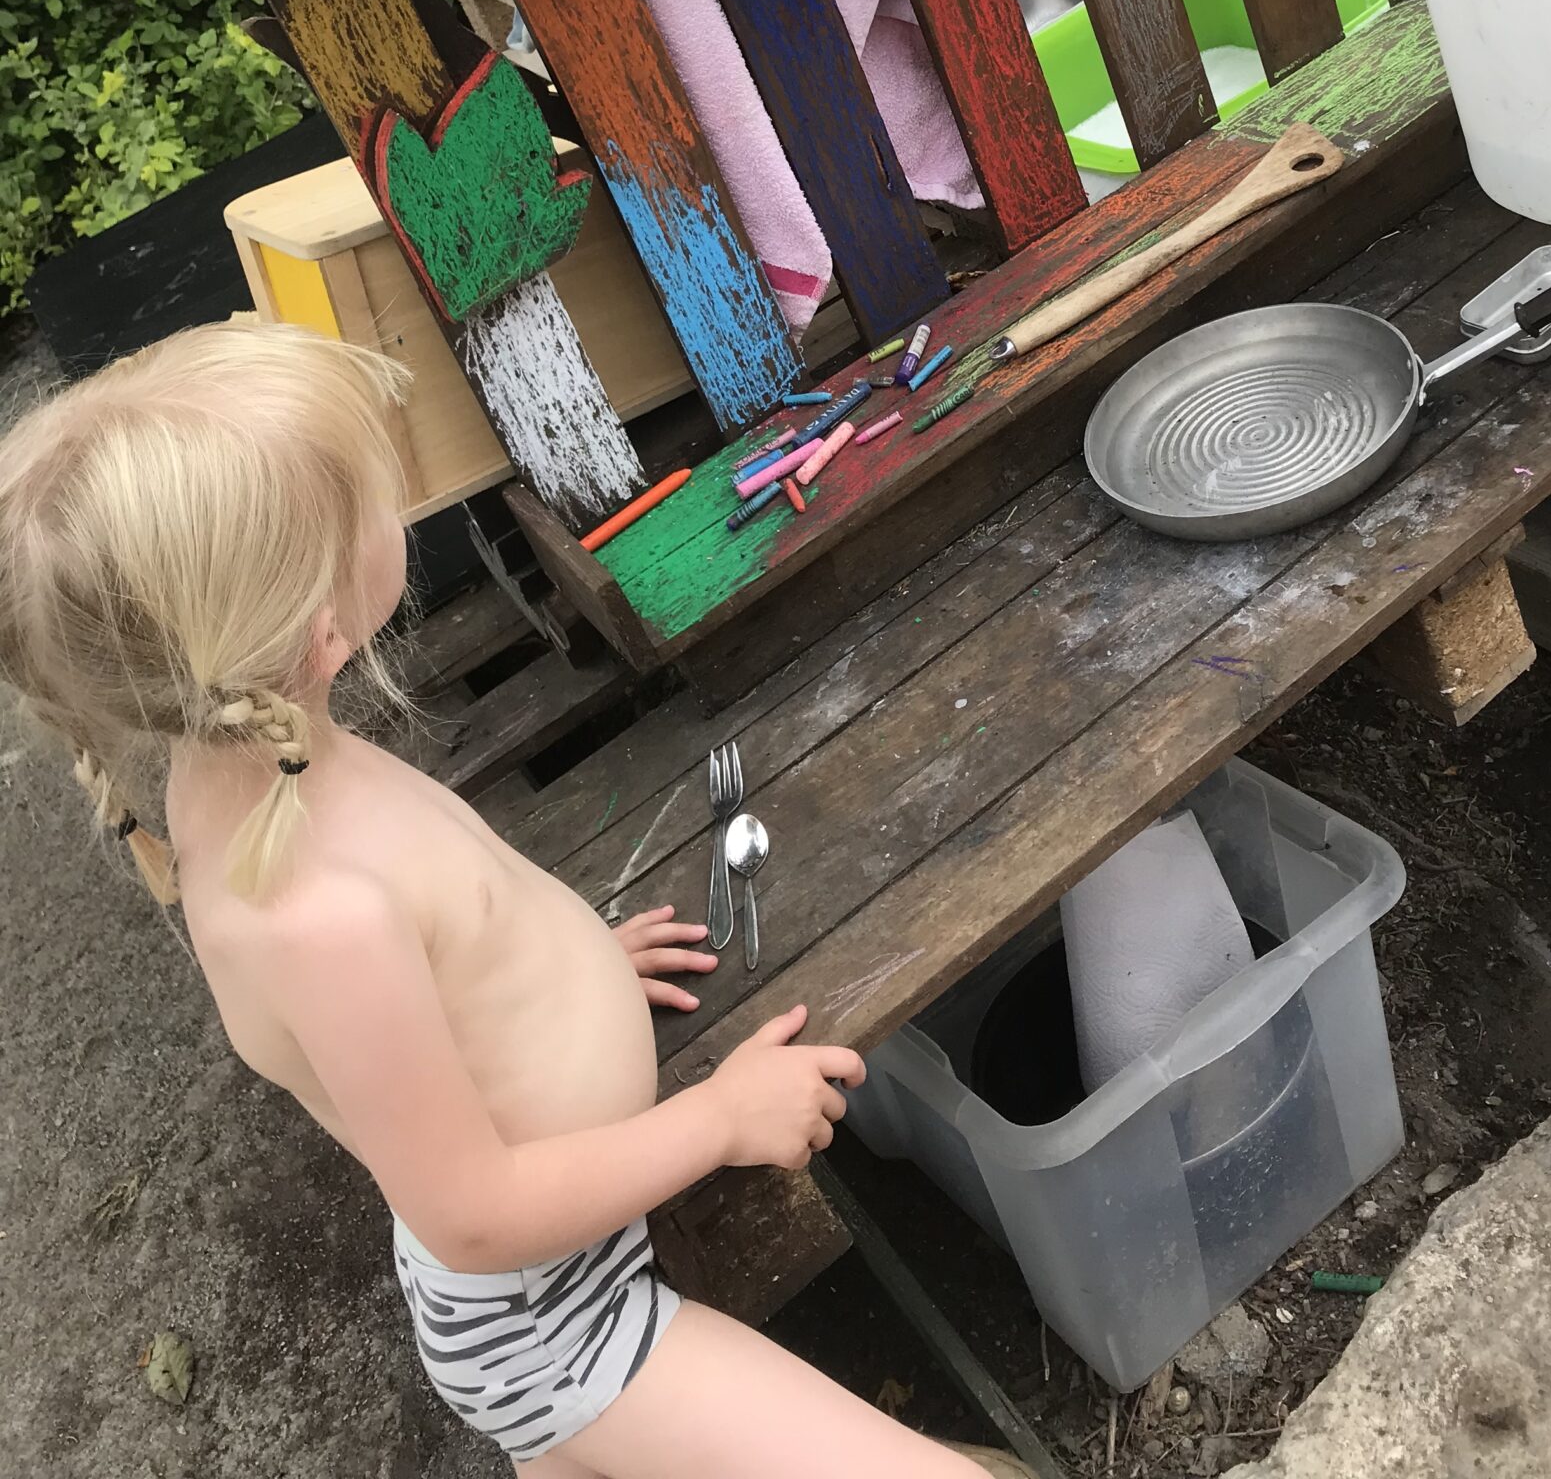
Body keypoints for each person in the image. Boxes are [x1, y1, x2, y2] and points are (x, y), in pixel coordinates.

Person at [0, 323, 987, 1478]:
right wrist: (721, 1117)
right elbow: (473, 1212)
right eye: (376, 493)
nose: (400, 504)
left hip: (555, 1250)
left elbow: (441, 940)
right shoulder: (315, 912)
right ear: (320, 628)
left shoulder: (244, 754)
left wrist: (552, 989)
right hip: (554, 1318)